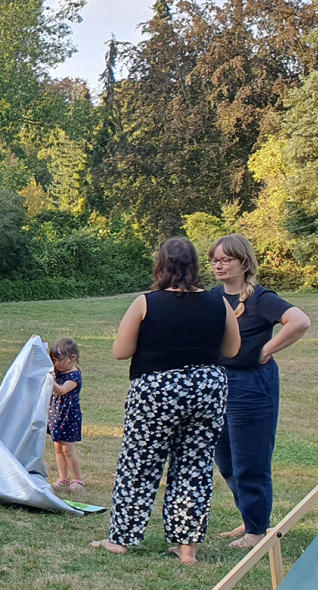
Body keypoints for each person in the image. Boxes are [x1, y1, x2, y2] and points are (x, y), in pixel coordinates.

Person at [93, 238, 241, 564]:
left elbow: (121, 351)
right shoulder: (220, 304)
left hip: (155, 392)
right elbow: (231, 350)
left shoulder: (146, 303)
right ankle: (186, 548)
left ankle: (122, 538)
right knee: (194, 465)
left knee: (140, 463)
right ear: (195, 266)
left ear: (161, 264)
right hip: (207, 390)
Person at [208, 234, 312, 550]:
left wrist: (266, 348)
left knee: (249, 460)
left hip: (252, 385)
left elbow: (299, 321)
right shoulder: (213, 298)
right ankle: (250, 518)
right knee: (224, 458)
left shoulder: (261, 298)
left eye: (226, 259)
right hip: (219, 383)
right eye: (215, 259)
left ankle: (257, 532)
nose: (218, 264)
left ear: (243, 262)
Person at [47, 337, 84, 491]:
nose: (56, 364)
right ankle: (63, 478)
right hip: (56, 415)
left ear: (72, 358)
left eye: (59, 361)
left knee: (68, 450)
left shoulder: (74, 376)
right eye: (54, 361)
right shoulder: (58, 372)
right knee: (58, 449)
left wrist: (50, 381)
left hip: (69, 417)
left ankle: (78, 479)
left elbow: (61, 391)